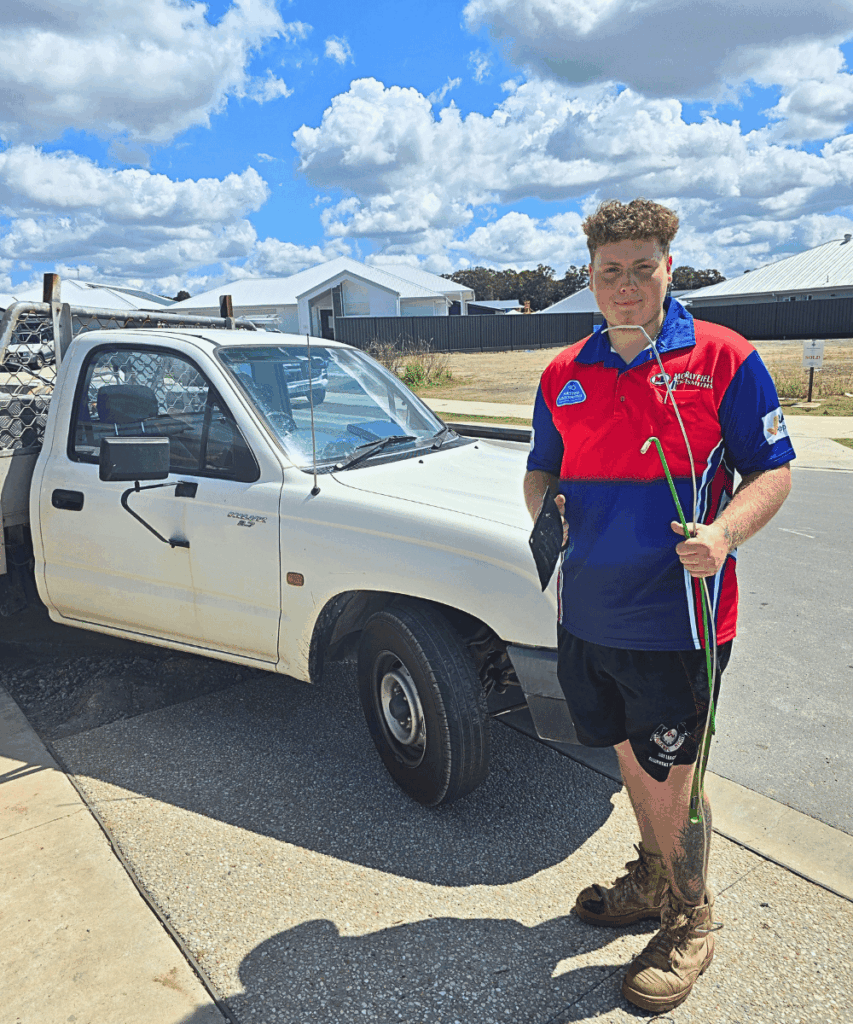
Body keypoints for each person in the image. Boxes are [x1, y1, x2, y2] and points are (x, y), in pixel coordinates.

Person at [523, 198, 794, 1013]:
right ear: (592, 278)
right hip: (585, 614)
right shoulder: (563, 371)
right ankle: (653, 878)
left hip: (678, 621)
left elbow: (773, 470)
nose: (626, 285)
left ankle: (691, 919)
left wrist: (724, 533)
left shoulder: (721, 358)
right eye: (610, 272)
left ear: (668, 267)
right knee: (630, 759)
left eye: (643, 268)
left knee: (673, 775)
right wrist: (545, 509)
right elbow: (541, 467)